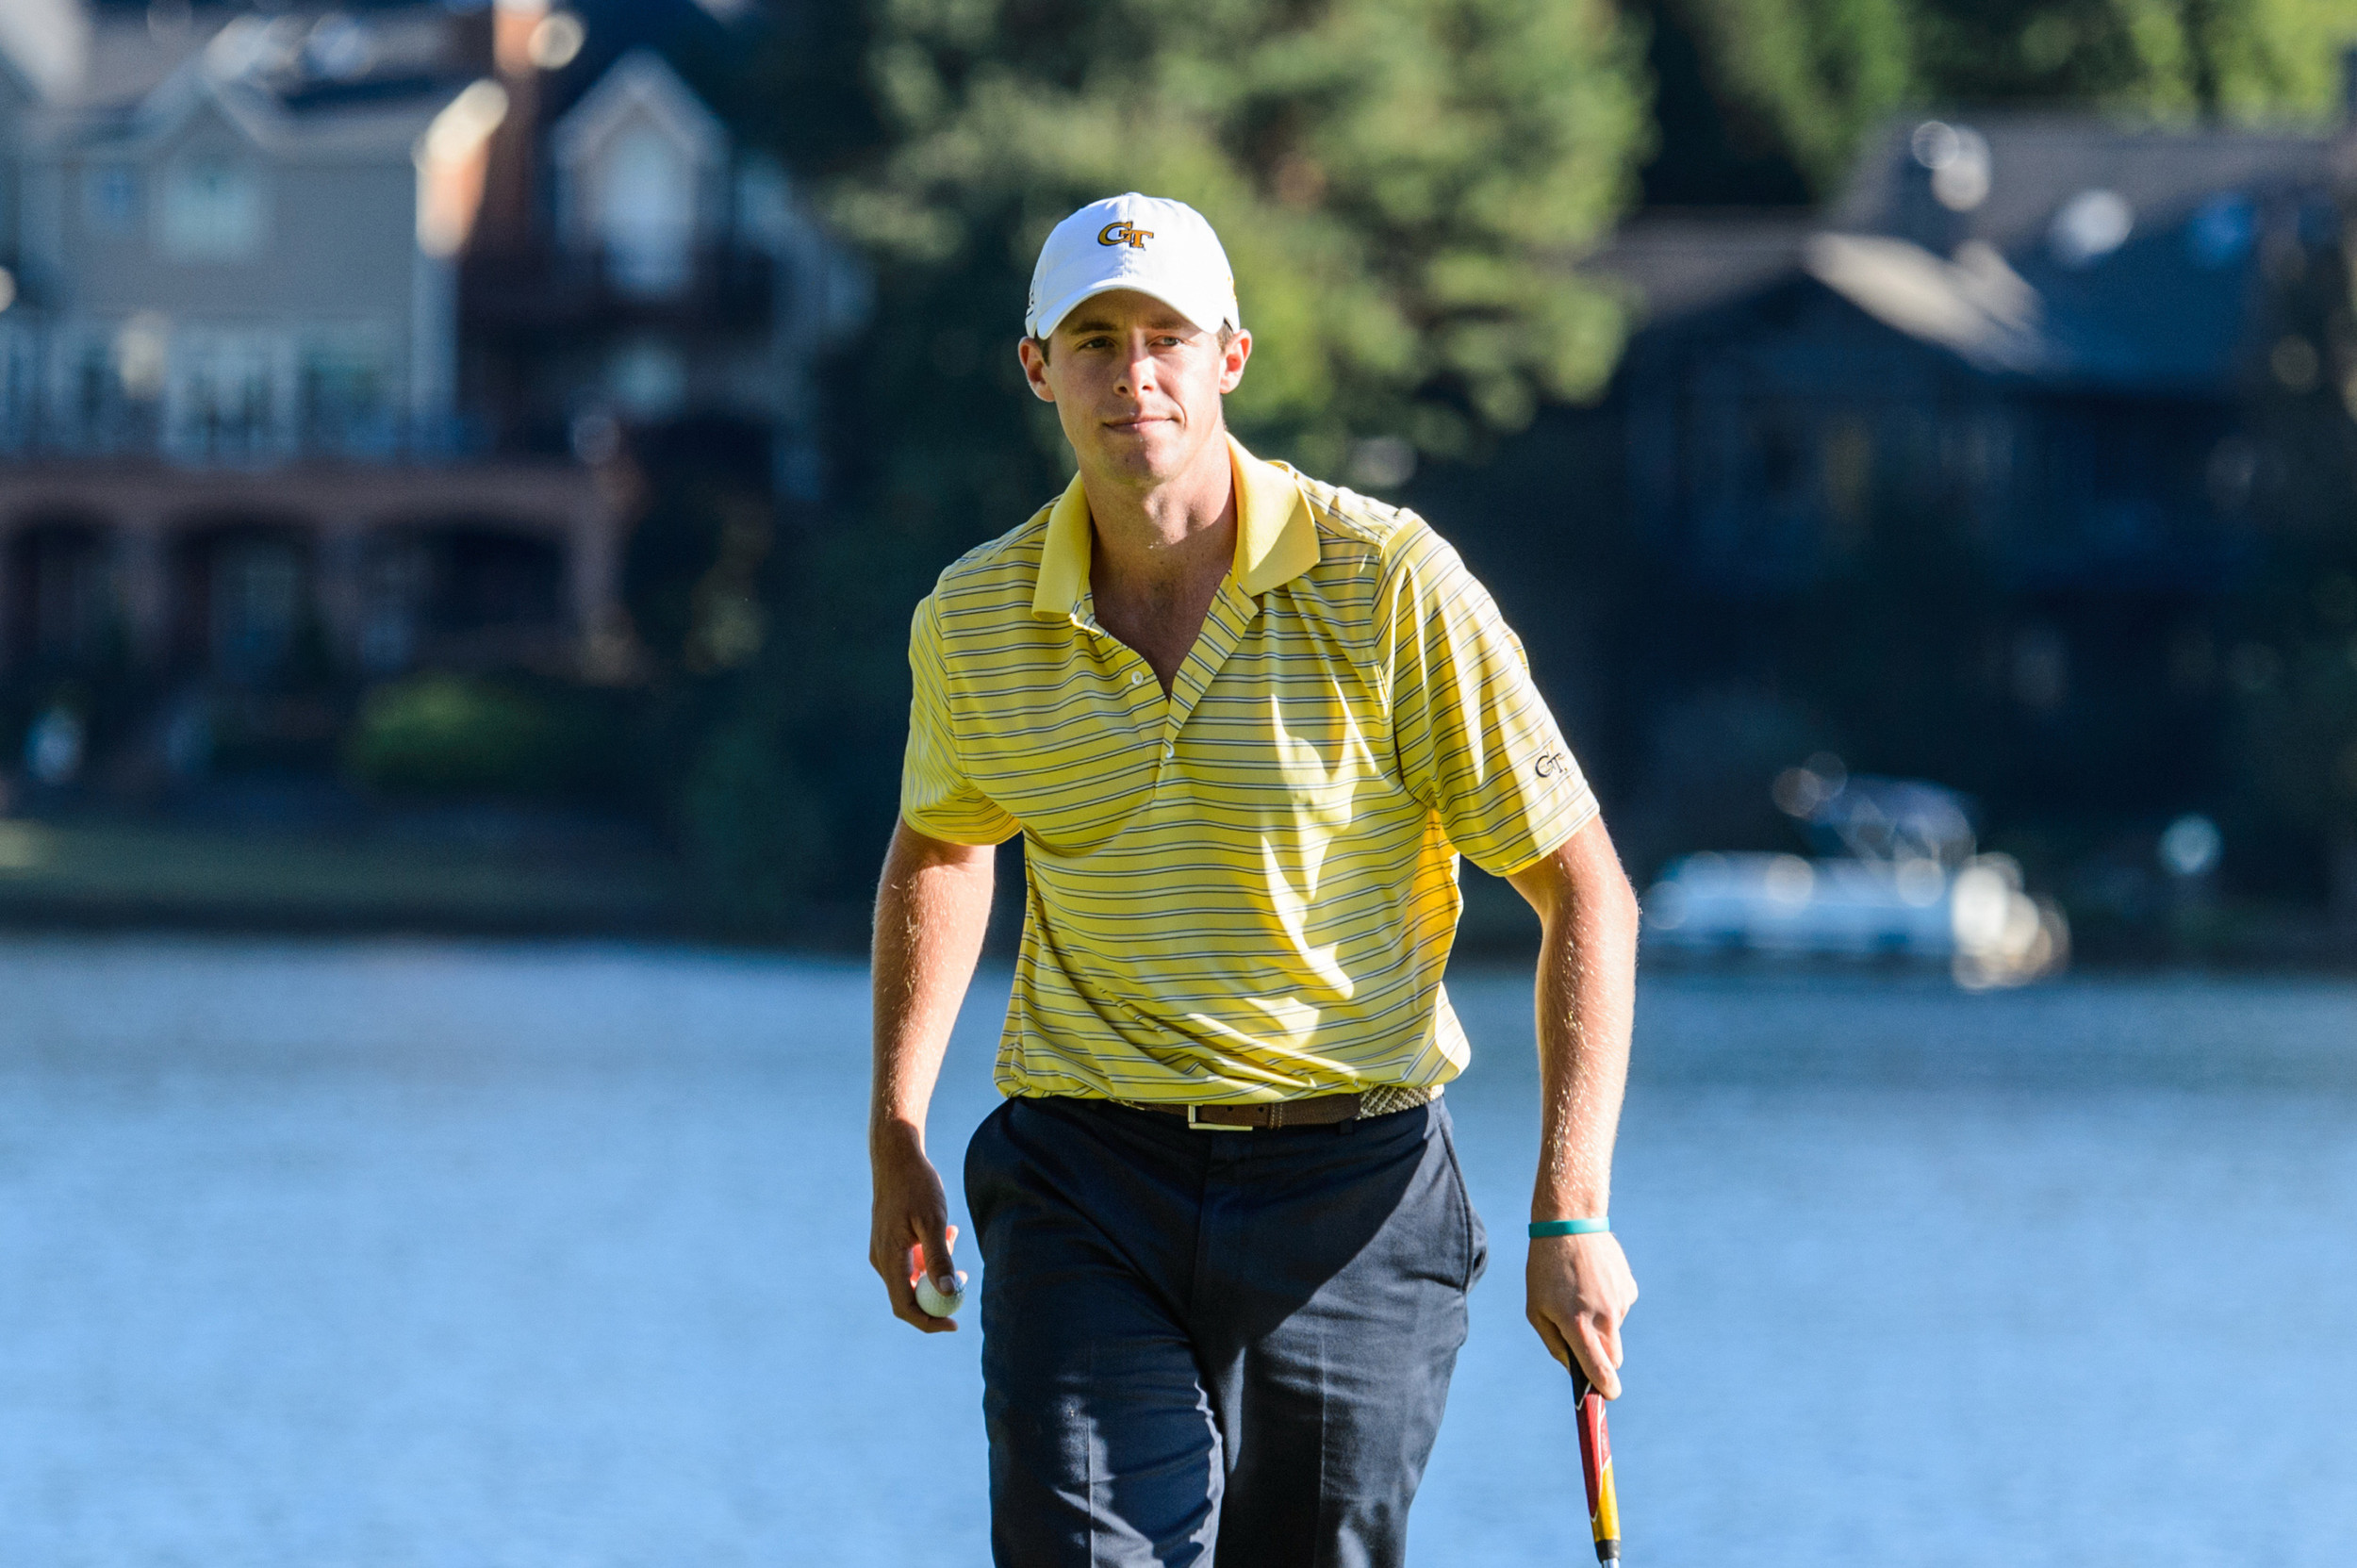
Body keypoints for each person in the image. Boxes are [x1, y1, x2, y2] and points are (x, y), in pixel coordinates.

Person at [867, 191, 1640, 1568]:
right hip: (1087, 1172)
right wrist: (897, 1131)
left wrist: (1570, 1207)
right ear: (1037, 367)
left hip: (1357, 1186)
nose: (1134, 374)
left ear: (1230, 356)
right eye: (1094, 340)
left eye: (1167, 335)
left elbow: (1585, 887)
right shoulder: (974, 618)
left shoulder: (1386, 583)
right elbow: (945, 842)